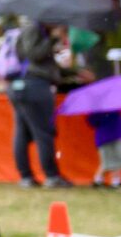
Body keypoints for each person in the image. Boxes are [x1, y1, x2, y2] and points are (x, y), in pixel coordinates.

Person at [11, 22, 80, 190]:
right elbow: (35, 55)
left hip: (22, 86)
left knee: (23, 132)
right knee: (43, 133)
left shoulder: (35, 31)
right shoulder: (34, 29)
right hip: (34, 87)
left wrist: (75, 72)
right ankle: (51, 176)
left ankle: (26, 177)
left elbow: (45, 63)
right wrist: (53, 38)